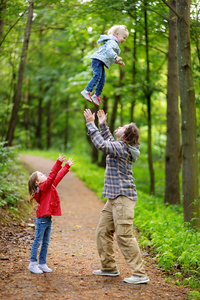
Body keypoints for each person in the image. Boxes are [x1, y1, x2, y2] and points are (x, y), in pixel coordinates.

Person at [83, 108, 149, 284]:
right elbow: (109, 141)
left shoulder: (122, 147)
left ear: (126, 135)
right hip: (113, 198)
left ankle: (140, 274)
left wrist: (91, 123)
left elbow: (103, 145)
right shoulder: (119, 146)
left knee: (124, 235)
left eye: (123, 126)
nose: (118, 126)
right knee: (102, 231)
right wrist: (103, 124)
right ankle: (109, 267)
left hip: (123, 197)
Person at [27, 154, 75, 274]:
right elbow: (53, 174)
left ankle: (42, 263)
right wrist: (58, 163)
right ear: (37, 182)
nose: (45, 175)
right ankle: (32, 263)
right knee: (38, 240)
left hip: (47, 219)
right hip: (42, 219)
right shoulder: (44, 187)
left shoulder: (49, 185)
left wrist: (66, 166)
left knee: (46, 242)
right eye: (42, 175)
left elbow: (57, 177)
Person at [81, 25, 129, 107]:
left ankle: (96, 95)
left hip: (101, 61)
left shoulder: (114, 43)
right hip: (97, 60)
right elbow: (108, 50)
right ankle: (87, 90)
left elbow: (109, 55)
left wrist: (117, 61)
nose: (124, 40)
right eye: (123, 37)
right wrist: (116, 57)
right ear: (117, 34)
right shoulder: (112, 42)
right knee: (97, 76)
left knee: (102, 79)